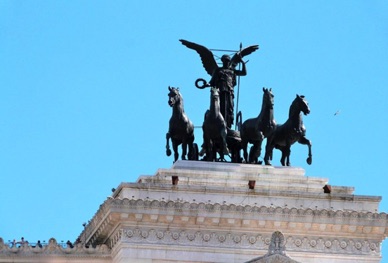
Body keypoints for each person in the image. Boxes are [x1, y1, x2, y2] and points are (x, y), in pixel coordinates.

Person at [208, 54, 246, 128]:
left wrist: (243, 63)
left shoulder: (232, 71)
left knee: (229, 108)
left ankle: (228, 125)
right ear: (222, 61)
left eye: (228, 61)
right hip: (221, 91)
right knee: (220, 107)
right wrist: (206, 84)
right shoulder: (218, 70)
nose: (227, 62)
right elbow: (212, 82)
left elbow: (244, 73)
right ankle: (220, 124)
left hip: (230, 92)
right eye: (225, 61)